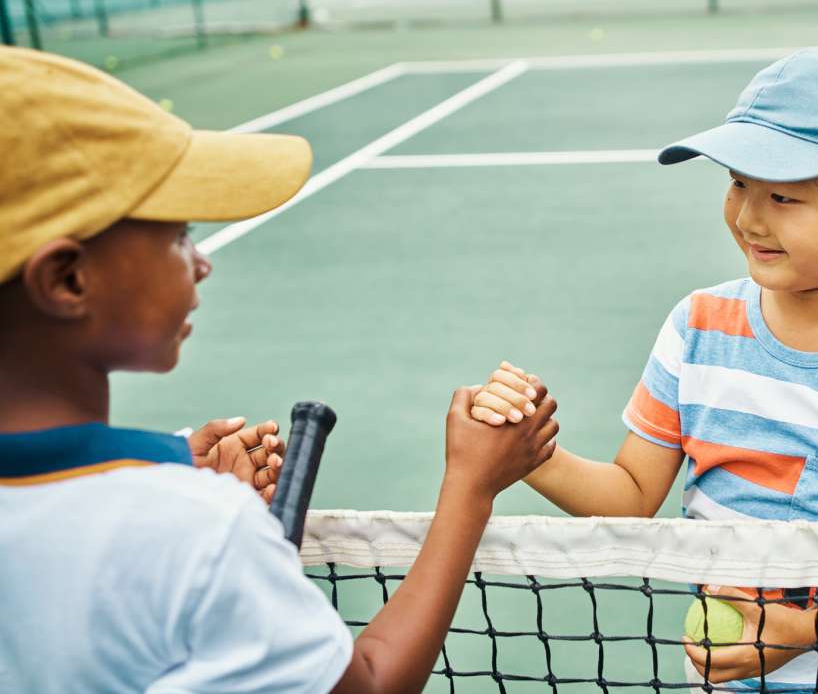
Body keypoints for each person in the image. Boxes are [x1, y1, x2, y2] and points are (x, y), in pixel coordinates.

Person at [0, 47, 559, 693]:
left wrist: (174, 465)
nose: (201, 260)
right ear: (66, 278)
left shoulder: (184, 509)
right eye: (178, 232)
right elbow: (369, 684)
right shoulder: (200, 532)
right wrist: (471, 485)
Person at [470, 47, 818, 694]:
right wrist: (532, 454)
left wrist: (805, 631)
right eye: (737, 183)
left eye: (782, 195)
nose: (748, 217)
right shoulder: (696, 329)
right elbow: (632, 493)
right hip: (722, 676)